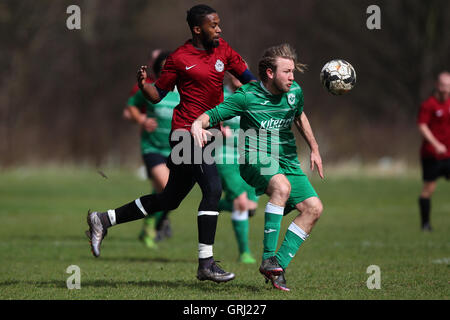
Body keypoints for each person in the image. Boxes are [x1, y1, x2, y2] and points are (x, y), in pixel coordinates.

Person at [85, 4, 257, 283]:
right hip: (185, 133)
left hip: (208, 134)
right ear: (197, 29)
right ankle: (206, 263)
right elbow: (157, 94)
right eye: (214, 25)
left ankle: (103, 220)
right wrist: (144, 86)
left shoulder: (224, 49)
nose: (220, 29)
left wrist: (266, 95)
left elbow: (249, 81)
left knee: (169, 199)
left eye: (219, 23)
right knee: (212, 188)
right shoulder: (179, 58)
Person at [191, 43, 324, 291]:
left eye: (293, 71)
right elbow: (211, 115)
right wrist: (198, 125)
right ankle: (267, 257)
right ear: (270, 73)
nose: (292, 77)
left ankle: (277, 267)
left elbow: (299, 115)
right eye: (286, 71)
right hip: (254, 157)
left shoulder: (294, 91)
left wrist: (314, 147)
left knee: (314, 208)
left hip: (287, 160)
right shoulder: (247, 96)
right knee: (281, 187)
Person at [124, 50, 178, 248]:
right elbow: (131, 106)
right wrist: (142, 119)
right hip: (152, 147)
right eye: (164, 68)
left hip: (175, 150)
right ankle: (153, 225)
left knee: (168, 193)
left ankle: (149, 224)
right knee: (166, 187)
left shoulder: (183, 91)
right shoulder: (151, 89)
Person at [216, 74, 259, 264]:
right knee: (241, 203)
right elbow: (203, 122)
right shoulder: (219, 96)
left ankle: (211, 206)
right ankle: (245, 253)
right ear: (229, 77)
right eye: (236, 74)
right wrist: (217, 131)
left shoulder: (253, 97)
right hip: (223, 156)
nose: (240, 78)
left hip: (246, 158)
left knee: (250, 207)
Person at [417, 71, 450, 232]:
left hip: (449, 154)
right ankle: (425, 225)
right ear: (438, 85)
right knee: (429, 189)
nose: (446, 89)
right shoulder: (428, 105)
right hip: (431, 154)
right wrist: (436, 144)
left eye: (449, 86)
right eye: (443, 85)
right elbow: (422, 126)